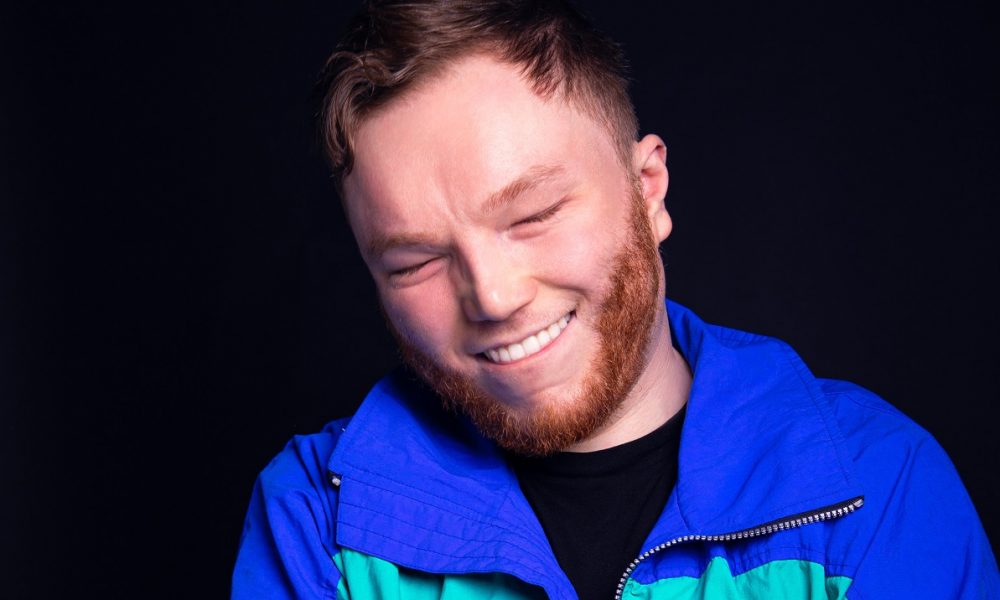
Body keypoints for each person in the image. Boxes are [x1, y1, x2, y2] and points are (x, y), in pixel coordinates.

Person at [231, 1, 998, 598]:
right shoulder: (315, 518)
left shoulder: (879, 487)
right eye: (416, 262)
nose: (492, 296)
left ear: (647, 191)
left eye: (532, 216)